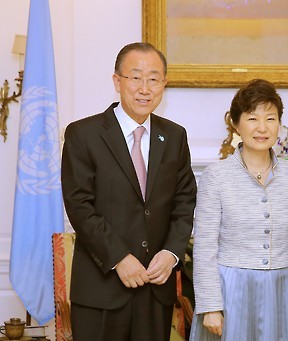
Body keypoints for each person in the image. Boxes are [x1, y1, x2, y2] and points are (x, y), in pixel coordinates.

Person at [61, 42, 197, 341]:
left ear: (164, 84)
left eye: (153, 79)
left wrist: (172, 252)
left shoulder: (174, 136)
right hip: (101, 289)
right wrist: (119, 258)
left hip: (154, 287)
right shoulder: (83, 134)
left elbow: (184, 201)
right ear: (117, 81)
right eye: (135, 77)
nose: (144, 88)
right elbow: (79, 204)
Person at [189, 79, 288, 341]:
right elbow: (205, 246)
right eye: (252, 118)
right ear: (236, 124)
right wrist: (211, 306)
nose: (262, 127)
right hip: (231, 290)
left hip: (281, 290)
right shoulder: (216, 176)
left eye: (270, 118)